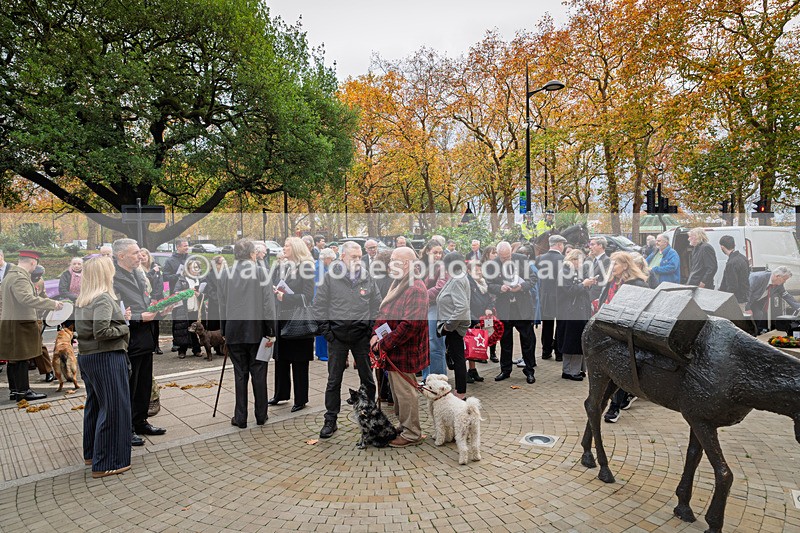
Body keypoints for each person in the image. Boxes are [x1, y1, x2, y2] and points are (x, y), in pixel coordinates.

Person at [315, 241, 382, 439]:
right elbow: (319, 306)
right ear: (342, 257)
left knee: (368, 380)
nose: (357, 260)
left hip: (361, 337)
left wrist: (369, 329)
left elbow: (376, 305)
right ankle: (330, 420)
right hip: (337, 338)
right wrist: (328, 333)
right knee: (334, 380)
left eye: (359, 257)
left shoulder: (367, 277)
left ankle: (369, 419)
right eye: (353, 257)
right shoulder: (331, 278)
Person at [75, 257, 132, 478]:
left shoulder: (83, 299)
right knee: (114, 408)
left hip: (88, 357)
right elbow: (102, 331)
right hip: (106, 357)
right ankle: (108, 462)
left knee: (95, 405)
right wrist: (124, 328)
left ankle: (92, 454)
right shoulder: (103, 299)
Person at [370, 246, 429, 447]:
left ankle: (412, 433)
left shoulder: (416, 288)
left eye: (394, 260)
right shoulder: (399, 282)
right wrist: (375, 336)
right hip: (393, 351)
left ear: (406, 264)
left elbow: (410, 325)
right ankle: (405, 426)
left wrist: (383, 344)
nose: (389, 264)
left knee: (406, 394)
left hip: (405, 352)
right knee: (397, 394)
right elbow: (385, 312)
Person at [217, 239, 277, 428]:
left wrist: (224, 330)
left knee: (240, 374)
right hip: (257, 331)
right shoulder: (261, 272)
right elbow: (268, 305)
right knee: (259, 374)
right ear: (252, 254)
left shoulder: (225, 274)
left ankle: (240, 417)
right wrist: (271, 330)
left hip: (234, 331)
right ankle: (261, 414)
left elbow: (222, 306)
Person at [112, 239, 163, 446]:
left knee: (143, 384)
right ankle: (128, 428)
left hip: (146, 337)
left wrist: (157, 306)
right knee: (130, 386)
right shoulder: (113, 277)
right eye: (134, 253)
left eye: (139, 253)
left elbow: (144, 298)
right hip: (130, 338)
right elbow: (115, 312)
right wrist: (140, 316)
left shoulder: (138, 272)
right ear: (121, 256)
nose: (140, 256)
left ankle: (141, 421)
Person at [0, 250, 62, 401]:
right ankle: (23, 391)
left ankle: (15, 390)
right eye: (36, 264)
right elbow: (26, 299)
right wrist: (52, 304)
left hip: (13, 321)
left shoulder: (11, 274)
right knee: (21, 358)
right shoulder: (19, 277)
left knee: (14, 359)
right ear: (33, 262)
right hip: (20, 324)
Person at [599, 252, 650, 423]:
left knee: (619, 370)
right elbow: (604, 301)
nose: (612, 268)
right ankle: (623, 396)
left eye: (615, 264)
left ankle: (614, 406)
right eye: (611, 264)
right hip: (609, 331)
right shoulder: (611, 282)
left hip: (626, 334)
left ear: (626, 266)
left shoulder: (637, 285)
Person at [269, 237, 315, 412]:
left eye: (287, 245)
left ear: (295, 248)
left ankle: (301, 398)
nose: (284, 248)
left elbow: (307, 296)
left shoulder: (306, 267)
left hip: (298, 320)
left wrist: (284, 296)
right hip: (282, 318)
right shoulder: (286, 266)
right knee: (281, 358)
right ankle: (281, 393)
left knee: (299, 360)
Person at [487, 241, 537, 383]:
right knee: (505, 341)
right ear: (498, 254)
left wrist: (521, 287)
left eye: (508, 256)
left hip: (522, 307)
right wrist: (499, 288)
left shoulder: (521, 259)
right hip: (505, 307)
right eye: (503, 257)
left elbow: (533, 278)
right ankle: (505, 370)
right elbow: (489, 284)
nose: (506, 259)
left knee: (527, 340)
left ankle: (529, 370)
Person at [436, 252, 471, 399]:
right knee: (457, 358)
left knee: (458, 359)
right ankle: (460, 391)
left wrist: (448, 326)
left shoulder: (457, 280)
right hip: (454, 325)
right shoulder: (458, 277)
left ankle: (460, 393)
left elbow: (461, 307)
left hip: (455, 327)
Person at [557, 249, 594, 381]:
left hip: (577, 311)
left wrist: (588, 284)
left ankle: (574, 369)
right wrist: (584, 284)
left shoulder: (573, 272)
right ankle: (571, 371)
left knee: (574, 341)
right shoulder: (565, 272)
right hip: (572, 312)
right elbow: (569, 291)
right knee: (573, 341)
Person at [419, 239, 447, 379]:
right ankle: (427, 378)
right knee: (426, 344)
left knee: (435, 345)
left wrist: (421, 295)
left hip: (436, 308)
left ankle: (439, 378)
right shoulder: (422, 266)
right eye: (435, 252)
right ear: (428, 251)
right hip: (424, 308)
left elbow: (440, 287)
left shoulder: (442, 266)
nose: (438, 255)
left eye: (440, 252)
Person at [536, 235, 566, 362]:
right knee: (560, 325)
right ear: (559, 244)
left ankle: (545, 351)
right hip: (560, 297)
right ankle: (559, 353)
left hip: (545, 297)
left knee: (547, 325)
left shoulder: (539, 259)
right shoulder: (564, 260)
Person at [746, 266, 800, 332]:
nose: (785, 282)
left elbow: (786, 295)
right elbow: (746, 293)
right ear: (777, 276)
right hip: (743, 300)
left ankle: (753, 334)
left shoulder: (779, 284)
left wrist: (798, 307)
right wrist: (747, 308)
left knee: (759, 314)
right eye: (784, 279)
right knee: (746, 318)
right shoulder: (758, 278)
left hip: (755, 302)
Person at [465, 259, 493, 381]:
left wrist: (489, 308)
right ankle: (464, 372)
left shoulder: (482, 283)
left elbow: (489, 299)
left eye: (480, 270)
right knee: (466, 346)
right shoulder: (467, 284)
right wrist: (475, 321)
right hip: (469, 319)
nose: (479, 272)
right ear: (469, 271)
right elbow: (465, 304)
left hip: (479, 319)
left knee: (474, 346)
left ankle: (472, 370)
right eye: (476, 270)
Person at [171, 259, 203, 359]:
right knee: (183, 330)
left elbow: (204, 295)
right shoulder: (182, 280)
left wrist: (199, 294)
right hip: (184, 309)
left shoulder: (199, 280)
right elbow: (176, 293)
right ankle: (182, 351)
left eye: (197, 267)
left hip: (195, 308)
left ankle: (196, 349)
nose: (195, 269)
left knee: (195, 330)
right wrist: (188, 291)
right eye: (193, 267)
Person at [314, 248, 337, 362]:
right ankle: (322, 353)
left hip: (321, 301)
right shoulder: (319, 268)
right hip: (321, 302)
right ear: (327, 258)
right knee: (322, 327)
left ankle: (323, 352)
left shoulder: (322, 267)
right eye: (332, 259)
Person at [139, 248, 164, 355]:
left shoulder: (155, 266)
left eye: (144, 255)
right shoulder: (139, 269)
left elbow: (159, 283)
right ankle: (149, 345)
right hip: (145, 298)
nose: (143, 258)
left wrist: (155, 297)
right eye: (141, 256)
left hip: (156, 297)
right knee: (148, 323)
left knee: (156, 322)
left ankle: (156, 345)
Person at [719, 235, 750, 308]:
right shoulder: (743, 258)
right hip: (743, 297)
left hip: (735, 300)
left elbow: (732, 285)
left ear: (722, 247)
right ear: (734, 245)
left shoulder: (731, 263)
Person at [587, 236, 610, 302]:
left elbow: (606, 281)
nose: (590, 247)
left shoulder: (606, 260)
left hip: (597, 298)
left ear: (600, 245)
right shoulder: (595, 259)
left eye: (592, 244)